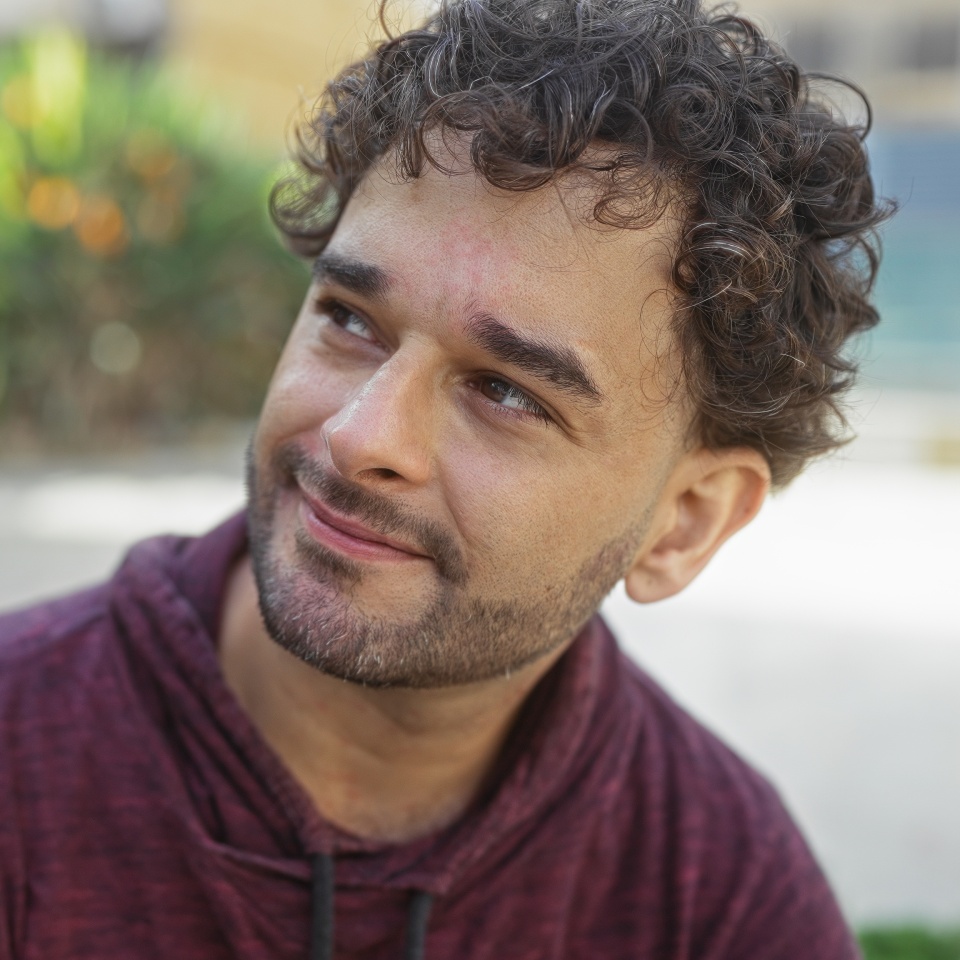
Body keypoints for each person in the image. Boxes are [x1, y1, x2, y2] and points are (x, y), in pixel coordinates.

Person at [0, 0, 891, 957]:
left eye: (506, 393)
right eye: (351, 319)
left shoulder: (718, 894)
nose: (358, 437)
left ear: (684, 524)